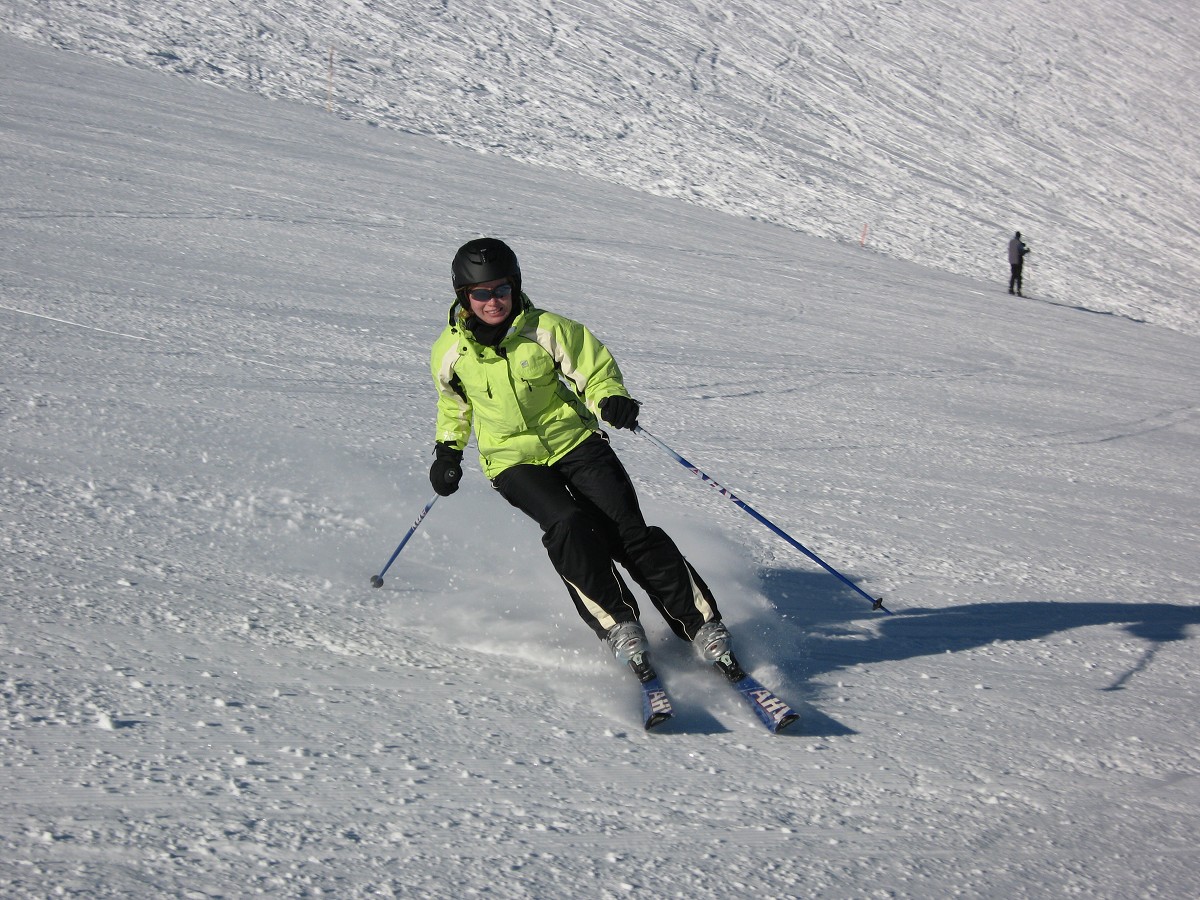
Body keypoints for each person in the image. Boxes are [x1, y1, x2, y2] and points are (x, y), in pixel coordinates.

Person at [428, 237, 745, 687]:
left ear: (515, 287)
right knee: (568, 525)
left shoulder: (546, 329)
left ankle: (700, 624)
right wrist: (448, 451)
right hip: (511, 460)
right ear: (464, 296)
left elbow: (593, 370)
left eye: (501, 289)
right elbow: (454, 406)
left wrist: (610, 398)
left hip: (574, 441)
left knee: (627, 532)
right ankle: (619, 625)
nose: (493, 301)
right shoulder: (450, 351)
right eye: (481, 293)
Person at [1008, 231, 1030, 296]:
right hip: (1018, 260)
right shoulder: (1019, 243)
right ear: (1019, 236)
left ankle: (1011, 289)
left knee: (1013, 275)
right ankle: (1018, 290)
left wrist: (1021, 244)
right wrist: (1027, 250)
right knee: (1018, 276)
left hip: (1012, 260)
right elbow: (1021, 252)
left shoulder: (1011, 242)